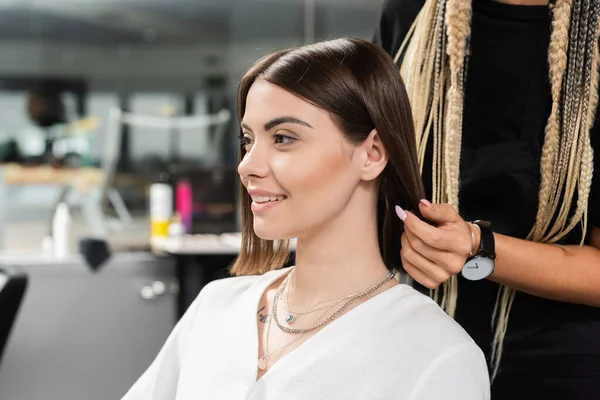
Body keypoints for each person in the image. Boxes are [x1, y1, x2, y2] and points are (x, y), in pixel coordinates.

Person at [121, 38, 490, 399]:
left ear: (372, 155)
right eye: (248, 140)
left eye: (283, 138)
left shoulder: (435, 356)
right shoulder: (215, 308)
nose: (247, 165)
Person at [373, 0, 600, 398]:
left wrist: (478, 246)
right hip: (420, 356)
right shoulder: (412, 16)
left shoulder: (592, 39)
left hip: (559, 371)